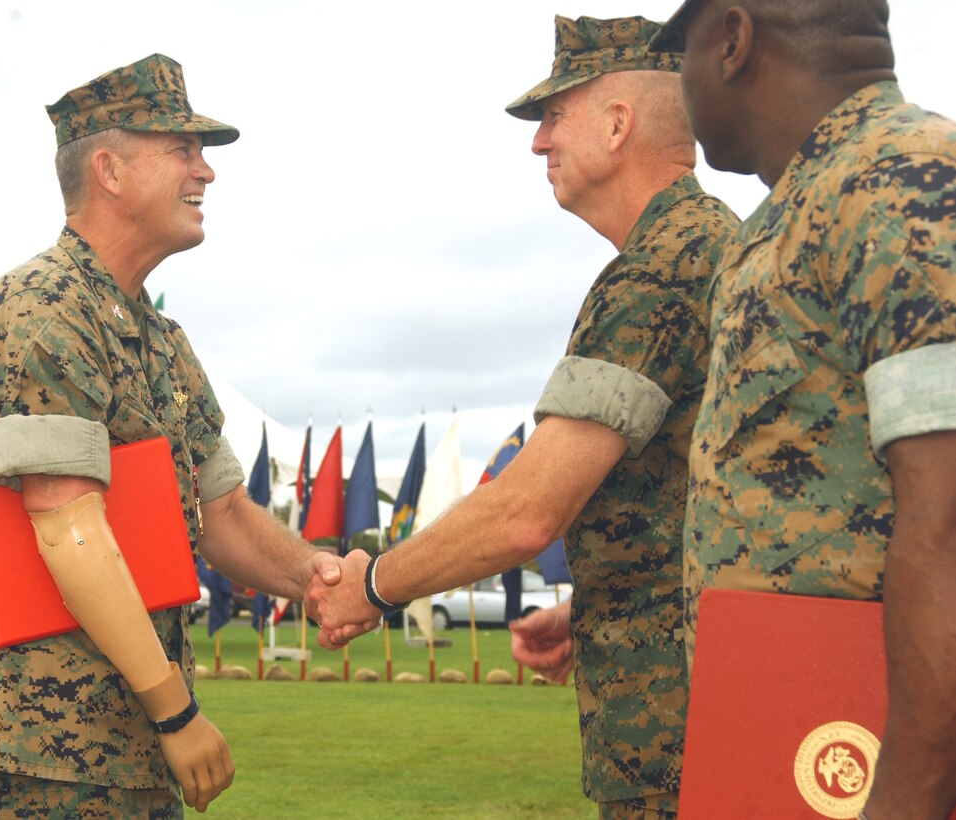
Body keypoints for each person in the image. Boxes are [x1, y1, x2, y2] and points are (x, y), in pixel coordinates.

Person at [308, 16, 738, 818]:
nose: (537, 144)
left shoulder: (656, 275)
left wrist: (373, 584)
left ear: (618, 124)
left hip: (681, 729)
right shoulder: (713, 249)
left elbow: (524, 511)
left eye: (553, 116)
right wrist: (594, 603)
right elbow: (712, 507)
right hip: (708, 695)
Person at [0, 54, 348, 817]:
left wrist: (319, 578)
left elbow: (222, 513)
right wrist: (178, 711)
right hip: (31, 751)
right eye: (181, 149)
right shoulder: (44, 304)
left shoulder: (158, 336)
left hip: (123, 744)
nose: (206, 172)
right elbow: (65, 525)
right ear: (109, 169)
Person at [650, 2, 956, 816]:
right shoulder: (802, 204)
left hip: (866, 760)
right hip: (782, 730)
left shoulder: (901, 178)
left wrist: (909, 793)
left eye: (676, 52)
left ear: (731, 40)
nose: (674, 83)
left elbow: (949, 512)